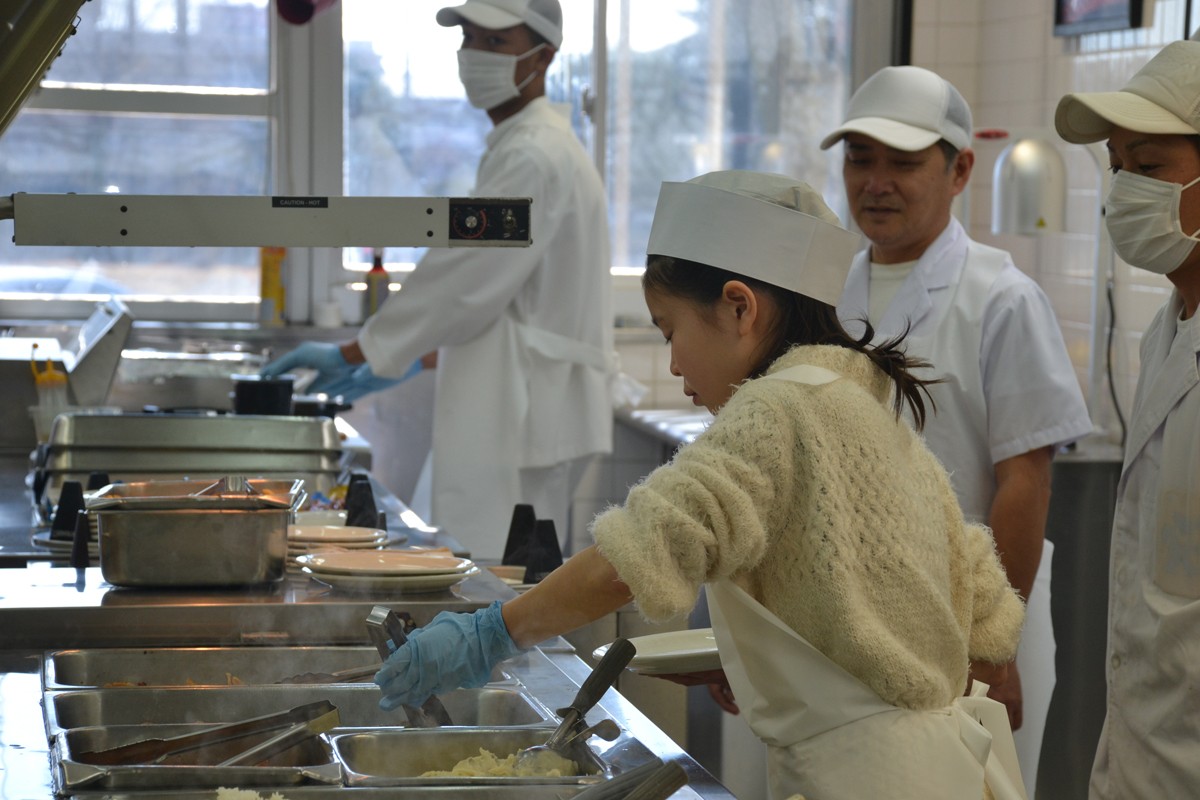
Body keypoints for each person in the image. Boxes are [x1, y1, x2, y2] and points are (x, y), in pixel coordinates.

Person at [372, 170, 1027, 800]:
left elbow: (632, 558)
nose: (675, 362)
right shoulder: (859, 405)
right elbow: (980, 617)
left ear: (738, 307)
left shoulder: (776, 411)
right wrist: (772, 667)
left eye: (670, 331)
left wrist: (494, 632)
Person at [819, 65, 1093, 795]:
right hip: (852, 621)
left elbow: (1024, 481)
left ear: (961, 168)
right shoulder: (826, 292)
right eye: (859, 159)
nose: (875, 182)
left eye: (903, 163)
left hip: (965, 627)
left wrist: (994, 644)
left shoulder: (1001, 300)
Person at [262, 0, 612, 561]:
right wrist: (403, 359)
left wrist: (362, 349)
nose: (474, 53)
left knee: (495, 589)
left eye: (495, 42)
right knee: (495, 582)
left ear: (543, 57)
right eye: (470, 37)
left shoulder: (533, 156)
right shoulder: (530, 147)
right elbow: (502, 303)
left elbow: (462, 283)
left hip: (520, 416)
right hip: (521, 402)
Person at [1054, 38, 1200, 799]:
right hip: (1146, 753)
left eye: (1149, 167)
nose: (1122, 193)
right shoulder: (1168, 331)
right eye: (1118, 168)